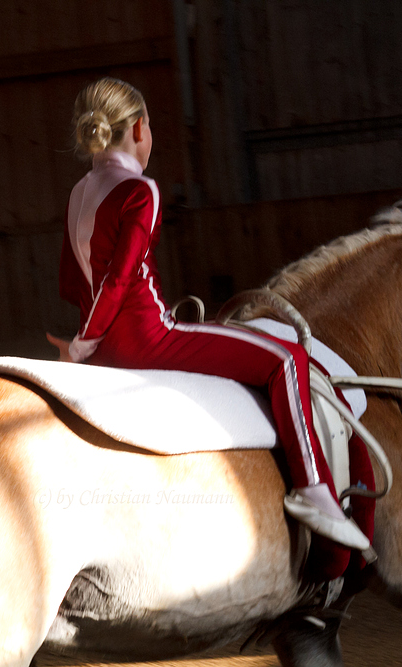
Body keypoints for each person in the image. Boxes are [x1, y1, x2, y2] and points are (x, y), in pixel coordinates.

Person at [53, 77, 369, 551]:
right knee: (287, 362)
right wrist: (82, 346)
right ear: (139, 129)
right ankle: (313, 491)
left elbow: (68, 283)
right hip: (148, 337)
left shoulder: (78, 195)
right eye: (150, 128)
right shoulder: (141, 191)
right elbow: (119, 281)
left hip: (103, 347)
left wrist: (86, 340)